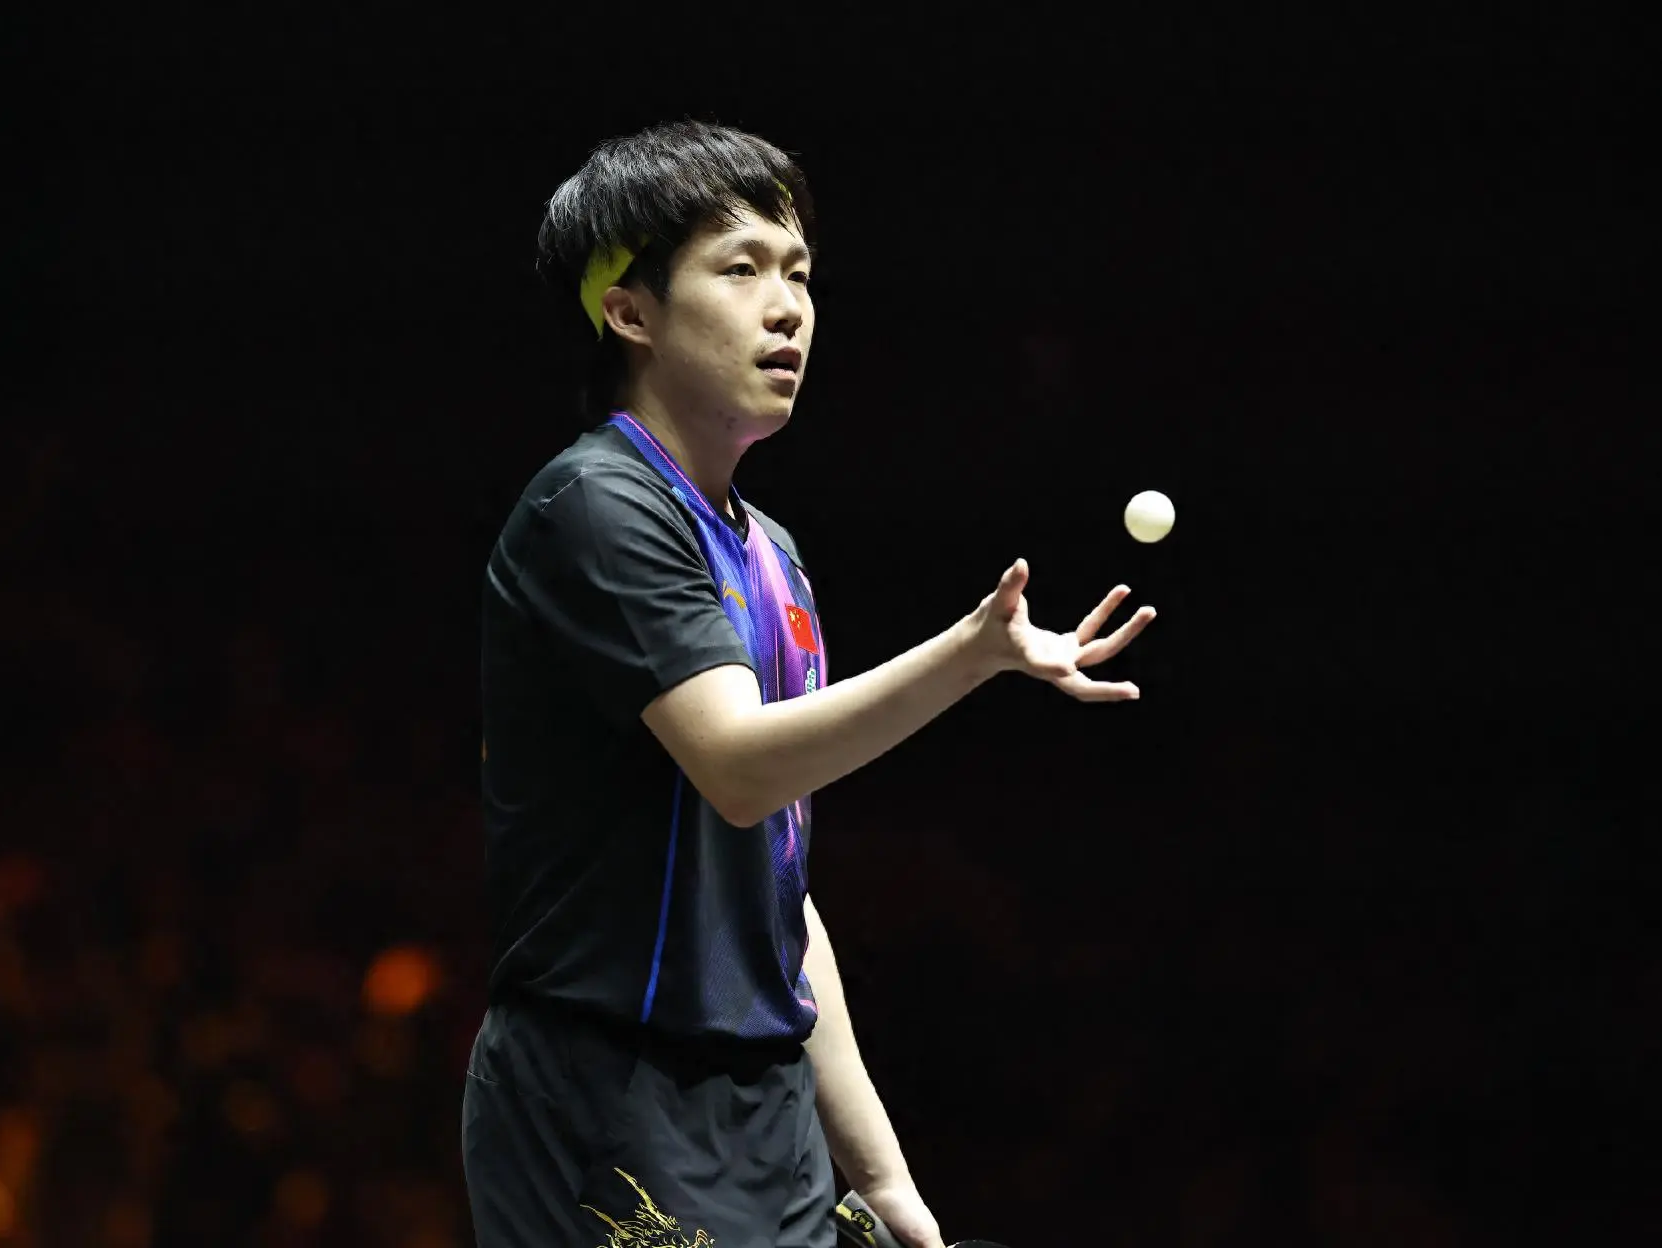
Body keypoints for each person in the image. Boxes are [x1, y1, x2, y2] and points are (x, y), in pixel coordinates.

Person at [463, 120, 1155, 1248]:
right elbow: (739, 770)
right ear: (629, 312)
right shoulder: (596, 506)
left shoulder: (771, 557)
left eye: (799, 274)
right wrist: (972, 653)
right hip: (606, 1103)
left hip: (767, 1113)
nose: (787, 308)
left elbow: (775, 884)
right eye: (741, 270)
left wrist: (883, 1180)